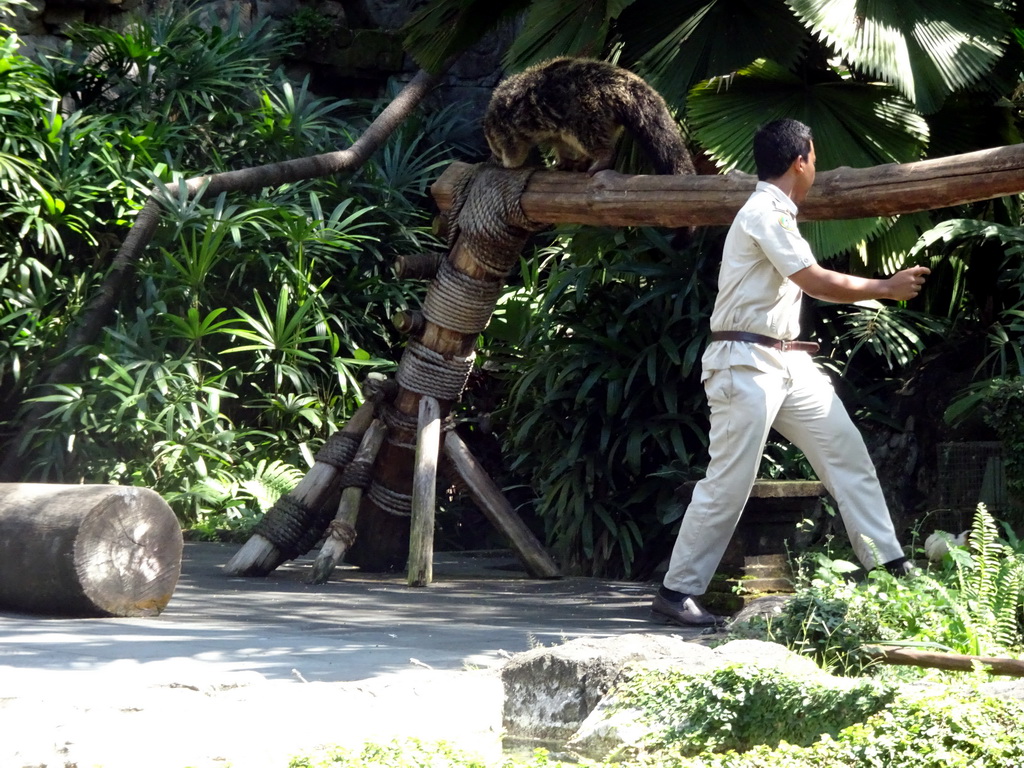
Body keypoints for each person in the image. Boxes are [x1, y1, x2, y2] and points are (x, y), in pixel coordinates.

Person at [650, 118, 930, 627]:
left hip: (787, 360)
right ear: (800, 160)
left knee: (847, 454)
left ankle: (889, 566)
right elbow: (814, 280)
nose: (817, 165)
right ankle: (675, 592)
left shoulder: (777, 212)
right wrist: (885, 287)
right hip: (744, 361)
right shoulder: (764, 212)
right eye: (815, 156)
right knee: (729, 482)